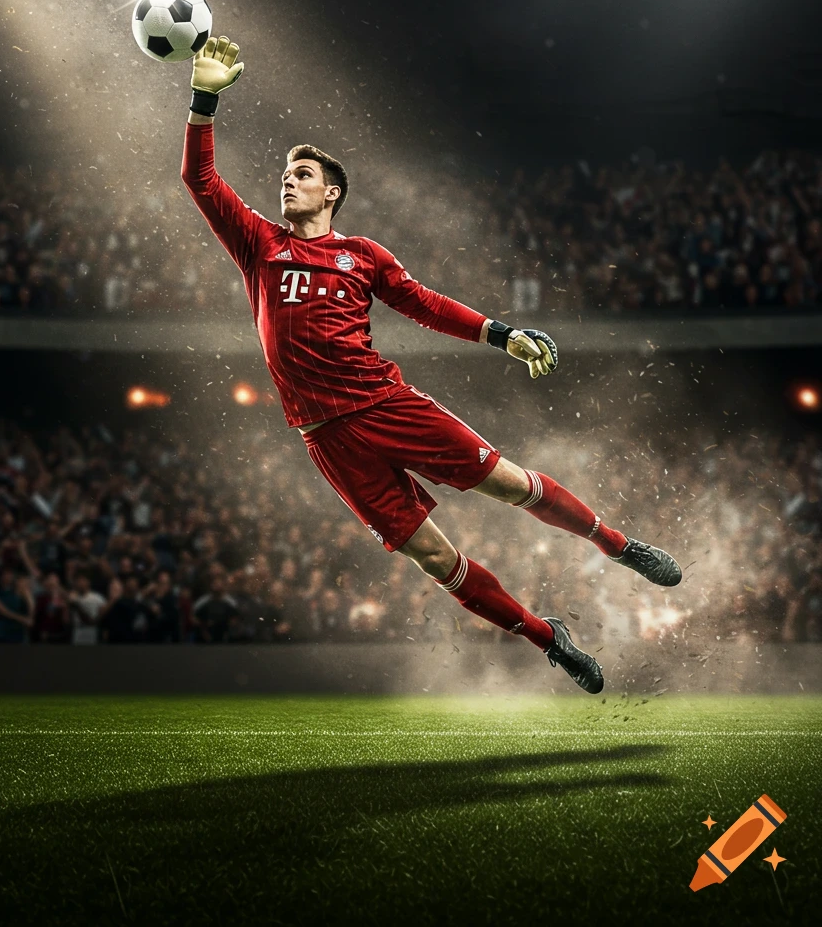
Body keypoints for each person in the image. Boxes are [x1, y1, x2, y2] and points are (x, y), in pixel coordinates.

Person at [180, 38, 683, 693]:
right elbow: (200, 180)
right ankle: (548, 638)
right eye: (286, 172)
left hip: (387, 406)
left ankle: (618, 545)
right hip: (326, 437)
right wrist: (204, 98)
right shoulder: (259, 244)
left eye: (302, 174)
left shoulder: (361, 255)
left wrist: (501, 334)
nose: (288, 180)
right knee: (434, 559)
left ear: (331, 193)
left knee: (510, 485)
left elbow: (423, 304)